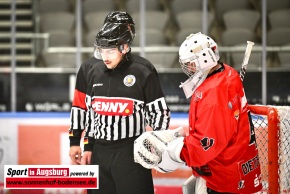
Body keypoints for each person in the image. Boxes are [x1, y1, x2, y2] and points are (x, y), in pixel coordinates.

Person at [134, 32, 263, 193]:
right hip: (239, 166)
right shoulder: (228, 73)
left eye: (190, 64)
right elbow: (219, 128)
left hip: (225, 180)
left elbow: (206, 146)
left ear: (205, 59)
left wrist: (172, 153)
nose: (188, 69)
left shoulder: (213, 95)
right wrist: (179, 135)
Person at [79, 12, 171, 194]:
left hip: (131, 154)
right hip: (99, 153)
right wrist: (88, 147)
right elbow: (91, 115)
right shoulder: (94, 71)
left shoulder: (143, 70)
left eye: (110, 51)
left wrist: (155, 143)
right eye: (101, 51)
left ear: (125, 47)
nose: (105, 56)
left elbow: (160, 113)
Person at [68, 11, 138, 165]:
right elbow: (80, 107)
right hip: (98, 147)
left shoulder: (140, 68)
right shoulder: (89, 67)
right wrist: (75, 142)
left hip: (130, 150)